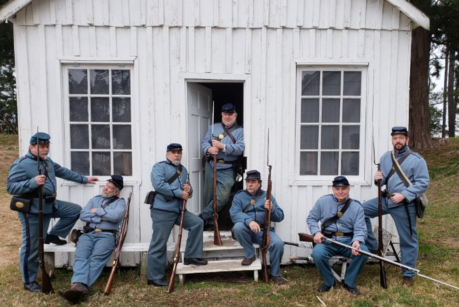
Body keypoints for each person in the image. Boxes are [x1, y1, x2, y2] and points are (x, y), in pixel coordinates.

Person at [6, 132, 98, 292]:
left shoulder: (47, 161)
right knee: (31, 246)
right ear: (31, 146)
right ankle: (29, 281)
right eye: (41, 146)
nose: (45, 149)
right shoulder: (21, 164)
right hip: (33, 210)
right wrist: (32, 182)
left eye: (47, 146)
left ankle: (53, 235)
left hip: (49, 204)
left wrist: (84, 179)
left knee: (74, 210)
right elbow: (11, 187)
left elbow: (63, 172)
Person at [362, 126, 429, 287]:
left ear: (407, 140)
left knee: (408, 239)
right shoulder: (386, 157)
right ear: (392, 140)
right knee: (359, 211)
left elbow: (423, 183)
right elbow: (383, 181)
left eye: (401, 138)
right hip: (386, 199)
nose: (398, 141)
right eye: (395, 138)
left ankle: (408, 274)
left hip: (404, 204)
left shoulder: (417, 159)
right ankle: (373, 247)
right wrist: (378, 179)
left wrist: (404, 194)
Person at [147, 143, 208, 287]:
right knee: (159, 242)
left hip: (179, 209)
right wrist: (181, 193)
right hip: (162, 210)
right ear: (167, 153)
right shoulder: (159, 167)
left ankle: (191, 256)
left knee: (197, 223)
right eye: (174, 152)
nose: (177, 155)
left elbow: (188, 190)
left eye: (179, 152)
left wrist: (189, 190)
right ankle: (154, 277)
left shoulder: (183, 170)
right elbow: (159, 185)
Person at [58, 175, 126, 303]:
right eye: (106, 185)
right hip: (88, 234)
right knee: (81, 256)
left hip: (107, 235)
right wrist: (103, 218)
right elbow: (83, 215)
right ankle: (79, 288)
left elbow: (116, 216)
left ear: (117, 191)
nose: (106, 188)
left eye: (110, 187)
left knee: (96, 259)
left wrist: (97, 211)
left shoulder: (120, 202)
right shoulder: (95, 199)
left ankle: (77, 286)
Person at [307, 176, 368, 296]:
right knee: (317, 254)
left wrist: (357, 241)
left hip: (348, 241)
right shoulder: (322, 202)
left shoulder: (357, 206)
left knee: (364, 252)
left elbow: (360, 228)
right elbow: (311, 218)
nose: (340, 191)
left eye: (343, 188)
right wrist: (316, 232)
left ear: (349, 189)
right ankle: (329, 282)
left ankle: (349, 282)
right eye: (337, 188)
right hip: (327, 241)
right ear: (333, 189)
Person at [229, 170, 285, 285]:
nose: (250, 184)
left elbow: (280, 217)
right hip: (246, 231)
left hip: (264, 231)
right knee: (238, 227)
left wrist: (272, 208)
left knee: (278, 243)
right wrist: (249, 221)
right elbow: (234, 213)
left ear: (259, 183)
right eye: (248, 181)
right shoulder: (239, 196)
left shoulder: (267, 196)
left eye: (253, 181)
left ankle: (275, 274)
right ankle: (250, 255)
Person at [201, 103, 245, 229]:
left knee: (222, 197)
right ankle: (208, 223)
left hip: (227, 168)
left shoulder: (240, 131)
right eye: (225, 114)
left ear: (235, 115)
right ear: (222, 115)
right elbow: (204, 142)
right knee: (208, 195)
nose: (227, 116)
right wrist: (208, 149)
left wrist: (223, 147)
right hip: (212, 165)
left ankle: (202, 217)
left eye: (230, 114)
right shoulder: (213, 128)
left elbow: (240, 149)